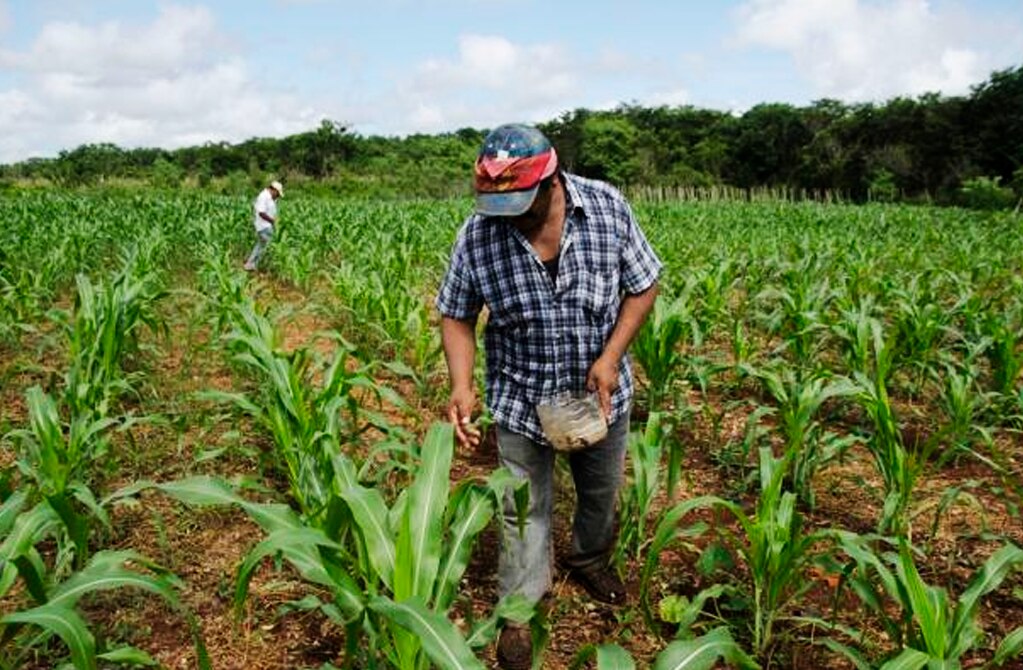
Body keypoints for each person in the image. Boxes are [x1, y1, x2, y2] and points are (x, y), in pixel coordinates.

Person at [435, 124, 661, 669]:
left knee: (600, 493)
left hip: (598, 393)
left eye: (520, 203)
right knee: (521, 509)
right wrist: (463, 385)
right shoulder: (479, 235)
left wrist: (610, 359)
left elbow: (644, 282)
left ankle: (589, 558)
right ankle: (519, 607)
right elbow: (456, 313)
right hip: (519, 397)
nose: (510, 215)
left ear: (552, 181)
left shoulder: (607, 209)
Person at [244, 180, 283, 271]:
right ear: (274, 190)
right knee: (267, 245)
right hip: (264, 226)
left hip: (266, 226)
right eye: (277, 194)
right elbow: (261, 212)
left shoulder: (269, 197)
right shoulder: (264, 196)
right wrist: (272, 221)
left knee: (261, 245)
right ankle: (253, 264)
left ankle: (251, 264)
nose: (277, 196)